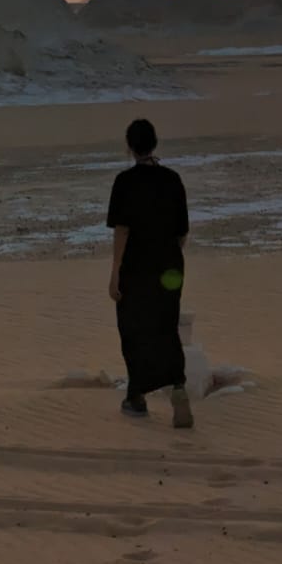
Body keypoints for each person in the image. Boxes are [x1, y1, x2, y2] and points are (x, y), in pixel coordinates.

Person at [106, 118, 194, 428]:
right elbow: (182, 232)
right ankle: (179, 387)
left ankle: (136, 396)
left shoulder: (124, 182)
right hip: (169, 266)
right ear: (154, 144)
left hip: (136, 268)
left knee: (133, 328)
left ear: (129, 146)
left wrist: (115, 272)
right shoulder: (172, 179)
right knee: (166, 325)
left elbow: (122, 231)